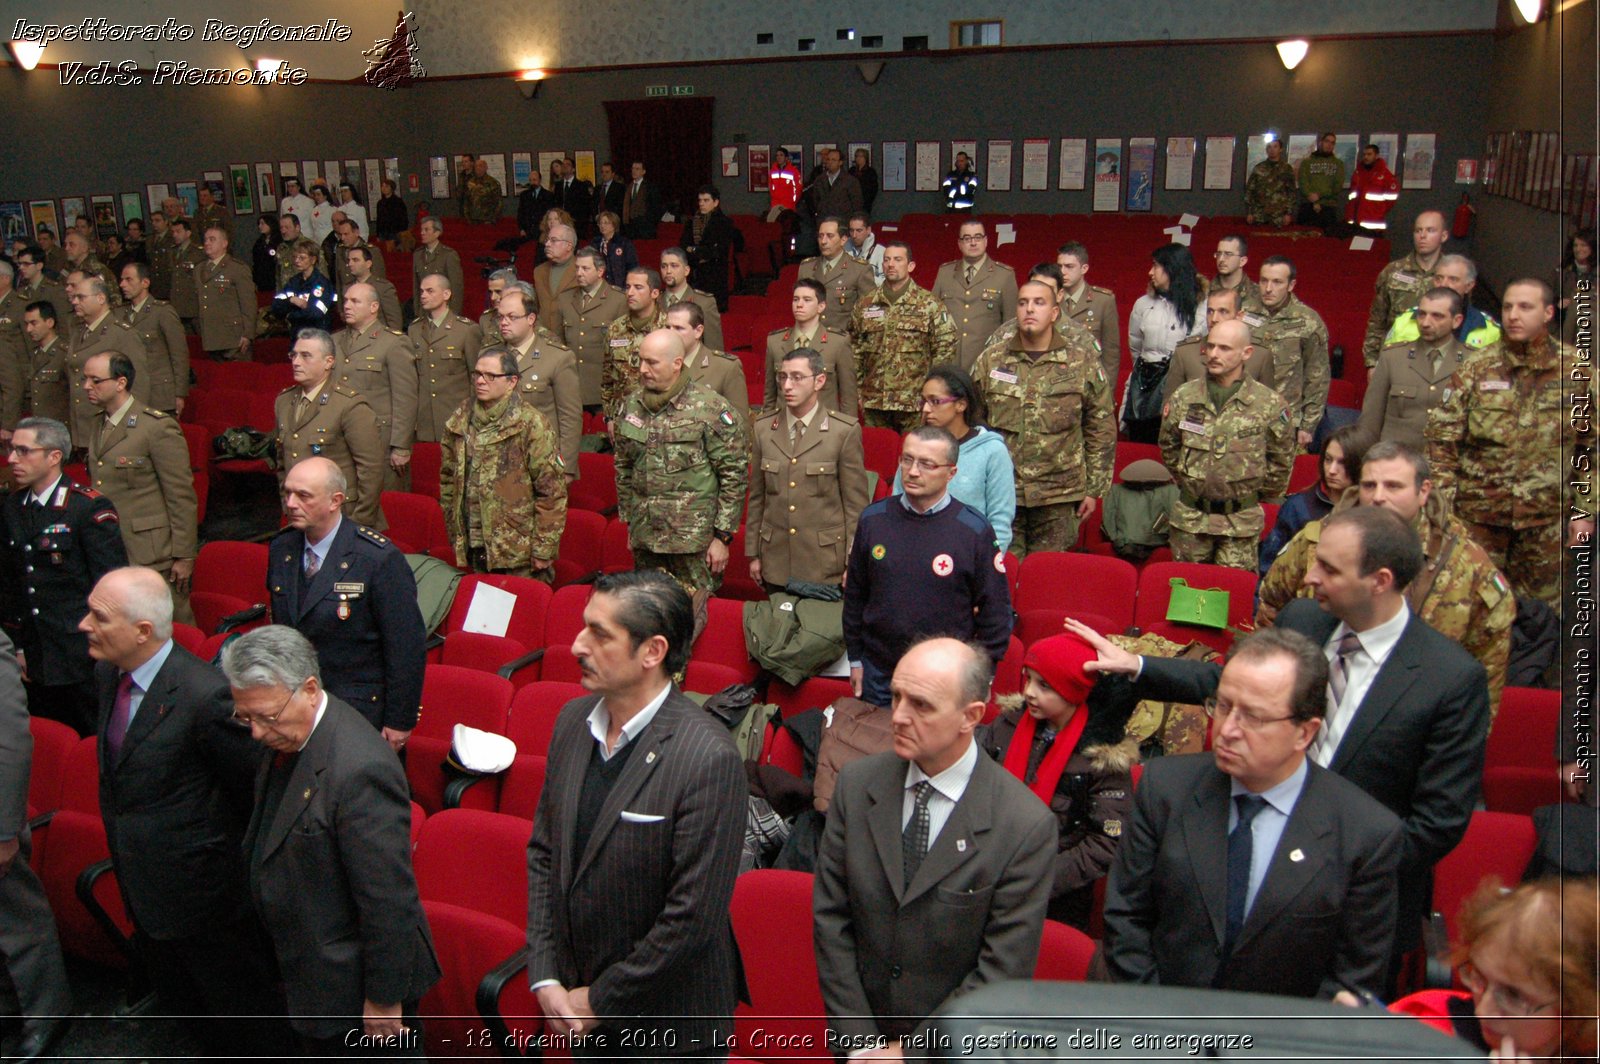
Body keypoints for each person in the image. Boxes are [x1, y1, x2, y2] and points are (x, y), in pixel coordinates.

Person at [1075, 505, 1489, 990]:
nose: (1310, 577)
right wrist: (1140, 666)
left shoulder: (1451, 678)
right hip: (1217, 884)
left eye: (1329, 569)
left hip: (1336, 908)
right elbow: (1241, 687)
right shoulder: (1304, 619)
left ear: (1378, 580)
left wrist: (1342, 866)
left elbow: (1437, 821)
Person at [1097, 627, 1404, 998]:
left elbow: (1352, 980)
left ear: (1304, 733)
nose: (1227, 730)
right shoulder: (1165, 788)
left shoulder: (1365, 834)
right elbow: (1126, 919)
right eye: (1223, 706)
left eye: (1254, 718)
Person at [526, 570, 747, 1056]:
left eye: (600, 634)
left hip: (668, 1026)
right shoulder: (570, 722)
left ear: (653, 652)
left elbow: (692, 920)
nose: (577, 645)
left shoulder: (707, 758)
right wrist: (544, 973)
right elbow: (545, 853)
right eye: (584, 627)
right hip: (577, 1008)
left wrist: (598, 1001)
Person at [813, 637, 1055, 1058]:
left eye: (921, 705)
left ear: (971, 716)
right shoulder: (856, 785)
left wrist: (909, 1055)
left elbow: (1000, 972)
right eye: (896, 697)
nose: (899, 717)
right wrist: (862, 1047)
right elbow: (832, 920)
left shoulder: (1023, 826)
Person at [80, 567, 285, 1056]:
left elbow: (252, 795)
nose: (84, 624)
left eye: (98, 616)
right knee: (188, 1014)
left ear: (142, 632)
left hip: (206, 901)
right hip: (144, 889)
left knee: (240, 1023)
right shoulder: (109, 672)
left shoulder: (204, 696)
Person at [228, 626, 439, 1053]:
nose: (255, 732)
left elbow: (387, 899)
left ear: (309, 689)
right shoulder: (290, 732)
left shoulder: (360, 770)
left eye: (265, 717)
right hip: (307, 965)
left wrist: (383, 998)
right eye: (244, 718)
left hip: (352, 990)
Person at [1258, 441, 1516, 718]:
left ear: (1423, 491)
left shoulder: (1469, 568)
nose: (1378, 497)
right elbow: (1271, 605)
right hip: (1309, 706)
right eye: (1369, 486)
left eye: (1394, 486)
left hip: (1407, 721)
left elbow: (1483, 680)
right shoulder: (1319, 540)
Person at [1427, 278, 1595, 611]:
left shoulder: (1578, 372)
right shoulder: (1475, 368)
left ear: (1548, 312)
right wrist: (1444, 515)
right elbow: (1441, 446)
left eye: (1525, 307)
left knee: (1539, 618)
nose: (1513, 315)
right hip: (1478, 520)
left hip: (1544, 522)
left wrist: (1584, 511)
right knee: (1472, 610)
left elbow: (1589, 448)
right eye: (1507, 307)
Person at [977, 633, 1137, 930]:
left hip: (1055, 900)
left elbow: (1105, 842)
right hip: (986, 876)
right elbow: (973, 789)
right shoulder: (1007, 725)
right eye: (1028, 679)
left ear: (1073, 691)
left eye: (1044, 685)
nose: (1029, 693)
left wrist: (1036, 878)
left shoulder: (1103, 758)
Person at [843, 426, 1012, 707]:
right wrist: (856, 658)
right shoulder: (874, 520)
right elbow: (855, 596)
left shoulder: (973, 530)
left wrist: (983, 675)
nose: (912, 471)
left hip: (944, 679)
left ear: (951, 473)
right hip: (880, 673)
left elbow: (995, 611)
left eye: (927, 464)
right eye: (906, 459)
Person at [266, 457, 426, 748]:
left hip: (358, 708)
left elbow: (405, 647)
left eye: (303, 496)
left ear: (335, 501)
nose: (290, 503)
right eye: (287, 493)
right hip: (298, 701)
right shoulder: (282, 548)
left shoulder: (376, 558)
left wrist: (400, 720)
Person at [612, 330, 748, 625]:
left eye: (652, 363)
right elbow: (624, 465)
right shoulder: (631, 406)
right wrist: (630, 522)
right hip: (647, 537)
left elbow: (734, 475)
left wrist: (722, 536)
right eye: (640, 361)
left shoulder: (710, 408)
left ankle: (687, 672)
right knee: (650, 615)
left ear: (677, 363)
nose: (643, 370)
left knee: (693, 618)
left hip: (693, 543)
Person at [1, 416, 128, 733]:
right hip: (33, 653)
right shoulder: (12, 506)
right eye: (10, 449)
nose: (11, 459)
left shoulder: (87, 507)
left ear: (54, 456)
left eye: (23, 450)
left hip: (81, 653)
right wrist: (17, 646)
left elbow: (111, 585)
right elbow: (10, 584)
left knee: (89, 740)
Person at [972, 280, 1112, 557]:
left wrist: (1093, 489)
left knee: (1047, 578)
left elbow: (1101, 425)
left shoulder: (1080, 361)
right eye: (1023, 303)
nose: (1029, 309)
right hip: (1003, 489)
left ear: (1055, 312)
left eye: (1039, 302)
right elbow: (975, 421)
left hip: (1059, 494)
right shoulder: (992, 359)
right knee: (1002, 573)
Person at [1390, 877, 1597, 1062]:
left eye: (1513, 995)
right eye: (1478, 978)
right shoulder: (1424, 1026)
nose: (1483, 1011)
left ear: (1576, 1009)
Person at [1160, 318, 1294, 570]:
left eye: (1224, 348)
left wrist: (1248, 493)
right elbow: (1169, 446)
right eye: (1210, 346)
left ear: (1247, 353)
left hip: (1239, 523)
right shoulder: (1185, 397)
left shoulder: (1270, 405)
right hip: (1191, 521)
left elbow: (1280, 461)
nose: (1213, 354)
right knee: (1188, 600)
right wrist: (1194, 481)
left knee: (1232, 599)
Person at [82, 352, 198, 622]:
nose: (86, 386)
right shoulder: (98, 424)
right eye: (85, 379)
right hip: (111, 544)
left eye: (95, 380)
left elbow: (180, 495)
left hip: (152, 552)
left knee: (168, 625)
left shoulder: (155, 427)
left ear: (120, 383)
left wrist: (184, 555)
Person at [747, 347, 868, 590]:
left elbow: (856, 506)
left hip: (823, 563)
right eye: (783, 377)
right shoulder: (763, 428)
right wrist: (753, 553)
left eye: (797, 377)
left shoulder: (842, 431)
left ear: (819, 381)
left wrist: (852, 561)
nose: (787, 386)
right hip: (776, 560)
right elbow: (758, 498)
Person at [440, 350, 567, 580]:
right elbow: (449, 478)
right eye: (477, 374)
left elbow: (551, 493)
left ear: (511, 382)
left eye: (490, 376)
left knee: (521, 613)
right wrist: (454, 531)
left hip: (517, 549)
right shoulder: (462, 416)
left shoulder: (531, 423)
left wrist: (543, 548)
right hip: (475, 542)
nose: (480, 380)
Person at [892, 366, 1015, 554]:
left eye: (935, 401)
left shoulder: (992, 451)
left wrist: (983, 566)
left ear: (961, 405)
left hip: (967, 560)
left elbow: (999, 523)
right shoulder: (917, 443)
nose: (926, 409)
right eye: (923, 401)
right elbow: (897, 505)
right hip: (912, 553)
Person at [273, 329, 386, 529]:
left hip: (342, 518)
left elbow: (371, 470)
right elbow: (283, 462)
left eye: (306, 356)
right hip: (300, 517)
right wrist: (289, 505)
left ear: (329, 362)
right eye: (294, 355)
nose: (296, 362)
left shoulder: (348, 405)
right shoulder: (284, 402)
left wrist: (359, 525)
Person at [851, 242, 959, 432]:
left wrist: (932, 392)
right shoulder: (866, 304)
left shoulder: (929, 304)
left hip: (914, 403)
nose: (891, 264)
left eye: (898, 259)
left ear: (911, 266)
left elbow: (946, 348)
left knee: (916, 457)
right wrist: (859, 390)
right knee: (877, 457)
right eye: (887, 260)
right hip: (875, 402)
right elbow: (855, 349)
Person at [1360, 287, 1471, 450]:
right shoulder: (1393, 357)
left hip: (1448, 466)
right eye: (1422, 314)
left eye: (1437, 316)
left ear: (1456, 321)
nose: (1425, 323)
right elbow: (1370, 421)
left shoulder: (1473, 361)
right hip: (1396, 462)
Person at [334, 283, 418, 493]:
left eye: (355, 301)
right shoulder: (333, 341)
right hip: (339, 437)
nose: (347, 306)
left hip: (379, 440)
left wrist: (401, 446)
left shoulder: (393, 343)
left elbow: (405, 399)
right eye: (345, 301)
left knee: (384, 505)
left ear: (373, 307)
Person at [494, 281, 582, 479]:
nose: (504, 322)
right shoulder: (490, 356)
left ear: (531, 318)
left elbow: (570, 417)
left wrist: (565, 467)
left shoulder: (557, 357)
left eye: (512, 317)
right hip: (498, 462)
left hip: (542, 462)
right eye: (500, 317)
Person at [1259, 424, 1368, 580]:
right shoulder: (1298, 507)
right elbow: (1267, 570)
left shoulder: (1371, 511)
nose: (1331, 470)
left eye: (1342, 463)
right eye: (1328, 460)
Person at [1123, 243, 1202, 443]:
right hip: (1145, 382)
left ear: (1173, 269)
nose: (1150, 272)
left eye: (1156, 266)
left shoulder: (1201, 307)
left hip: (1181, 386)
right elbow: (1135, 345)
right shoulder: (1143, 304)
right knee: (1140, 440)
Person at [1252, 255, 1331, 450]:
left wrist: (1308, 425)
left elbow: (1317, 376)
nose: (1268, 288)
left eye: (1277, 282)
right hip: (1245, 415)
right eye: (1264, 281)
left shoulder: (1308, 321)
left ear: (1291, 285)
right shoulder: (1244, 312)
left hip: (1286, 420)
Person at [67, 275, 150, 446]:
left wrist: (132, 429)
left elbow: (139, 385)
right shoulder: (78, 332)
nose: (74, 302)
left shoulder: (122, 334)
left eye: (81, 297)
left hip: (110, 426)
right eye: (74, 297)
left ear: (101, 298)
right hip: (80, 423)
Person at [1363, 210, 1449, 366]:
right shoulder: (1393, 271)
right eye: (1418, 230)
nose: (1422, 236)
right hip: (1396, 356)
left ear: (1443, 236)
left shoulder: (1452, 274)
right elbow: (1377, 320)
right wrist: (1372, 362)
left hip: (1438, 360)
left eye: (1430, 230)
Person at [932, 221, 1020, 372]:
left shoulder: (1004, 275)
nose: (973, 242)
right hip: (949, 361)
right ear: (959, 243)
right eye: (967, 238)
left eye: (977, 237)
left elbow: (1011, 325)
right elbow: (932, 316)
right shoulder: (945, 273)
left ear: (986, 241)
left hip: (985, 362)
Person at [763, 279, 858, 414]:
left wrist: (847, 431)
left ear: (821, 306)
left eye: (807, 300)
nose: (799, 305)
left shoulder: (837, 342)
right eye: (796, 299)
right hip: (784, 424)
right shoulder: (775, 341)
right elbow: (770, 395)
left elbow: (848, 396)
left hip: (824, 427)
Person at [408, 271, 482, 444]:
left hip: (456, 416)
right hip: (424, 420)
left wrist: (473, 416)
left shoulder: (466, 330)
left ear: (446, 294)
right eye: (422, 291)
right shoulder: (415, 329)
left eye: (430, 291)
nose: (423, 295)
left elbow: (476, 377)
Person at [1163, 286, 1270, 402]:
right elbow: (1169, 406)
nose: (1214, 318)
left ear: (1239, 316)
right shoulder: (1185, 353)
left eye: (1223, 311)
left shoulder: (1260, 356)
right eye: (1210, 311)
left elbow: (1268, 405)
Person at [1382, 254, 1501, 351]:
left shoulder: (1488, 330)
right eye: (1439, 278)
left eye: (1453, 279)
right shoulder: (1405, 321)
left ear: (1469, 286)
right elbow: (1387, 367)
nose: (1444, 284)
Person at [556, 248, 627, 410]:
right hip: (571, 386)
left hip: (602, 387)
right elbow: (558, 341)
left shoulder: (618, 300)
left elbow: (623, 348)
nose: (579, 273)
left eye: (585, 268)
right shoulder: (565, 299)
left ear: (600, 271)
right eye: (577, 268)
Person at [116, 261, 189, 415]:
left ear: (145, 283)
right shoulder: (120, 314)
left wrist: (179, 393)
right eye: (121, 280)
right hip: (131, 393)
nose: (122, 284)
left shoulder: (162, 312)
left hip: (160, 394)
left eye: (128, 280)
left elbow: (179, 355)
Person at [664, 301, 748, 423]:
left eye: (678, 328)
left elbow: (739, 424)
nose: (670, 333)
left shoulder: (725, 367)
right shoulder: (658, 364)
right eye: (668, 327)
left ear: (698, 331)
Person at [601, 267, 668, 415]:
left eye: (638, 287)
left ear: (655, 293)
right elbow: (607, 379)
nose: (630, 293)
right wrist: (609, 417)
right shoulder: (615, 328)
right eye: (627, 287)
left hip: (660, 417)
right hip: (623, 417)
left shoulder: (669, 328)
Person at [797, 217, 876, 336]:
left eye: (830, 236)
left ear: (843, 239)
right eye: (820, 236)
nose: (823, 241)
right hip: (810, 340)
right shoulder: (806, 267)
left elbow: (869, 313)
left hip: (842, 342)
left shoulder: (859, 269)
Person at [1056, 241, 1121, 383]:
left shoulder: (1103, 301)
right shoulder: (1051, 299)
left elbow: (1111, 354)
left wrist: (1107, 392)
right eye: (1059, 266)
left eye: (1069, 267)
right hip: (1055, 381)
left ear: (1084, 268)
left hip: (1088, 381)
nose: (1062, 272)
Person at [195, 222, 257, 361]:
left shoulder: (236, 268)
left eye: (212, 239)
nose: (207, 243)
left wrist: (248, 334)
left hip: (234, 337)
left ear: (224, 243)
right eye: (205, 239)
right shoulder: (199, 269)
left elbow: (248, 304)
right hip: (211, 336)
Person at [680, 185, 737, 310]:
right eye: (700, 200)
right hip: (694, 272)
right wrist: (699, 251)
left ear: (715, 202)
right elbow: (683, 246)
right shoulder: (691, 222)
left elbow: (718, 251)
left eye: (706, 200)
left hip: (715, 274)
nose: (701, 204)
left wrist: (694, 249)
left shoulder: (724, 223)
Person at [659, 247, 724, 350]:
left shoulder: (704, 303)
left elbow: (713, 346)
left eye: (674, 266)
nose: (668, 271)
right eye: (664, 266)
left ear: (686, 270)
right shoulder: (654, 300)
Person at [271, 238, 338, 334]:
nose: (297, 261)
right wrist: (292, 300)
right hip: (296, 334)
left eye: (302, 258)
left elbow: (316, 313)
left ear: (313, 259)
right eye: (295, 257)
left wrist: (290, 315)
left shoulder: (322, 283)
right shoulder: (293, 282)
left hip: (317, 334)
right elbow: (276, 306)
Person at [21, 301, 69, 426]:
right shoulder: (36, 354)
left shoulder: (65, 353)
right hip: (40, 427)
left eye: (34, 323)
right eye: (26, 324)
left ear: (50, 322)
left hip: (60, 428)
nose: (28, 329)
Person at [533, 222, 582, 335]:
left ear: (569, 246)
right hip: (543, 339)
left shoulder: (582, 270)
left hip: (572, 338)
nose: (547, 244)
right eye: (547, 240)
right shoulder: (539, 271)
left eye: (554, 240)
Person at [413, 217, 466, 316]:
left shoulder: (449, 255)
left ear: (437, 233)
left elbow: (456, 288)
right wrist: (417, 312)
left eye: (426, 230)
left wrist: (453, 314)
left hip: (442, 311)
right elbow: (416, 286)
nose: (422, 233)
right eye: (421, 230)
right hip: (424, 312)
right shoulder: (418, 254)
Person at [343, 244, 403, 330]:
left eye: (355, 260)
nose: (350, 264)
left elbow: (394, 321)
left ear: (368, 264)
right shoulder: (347, 288)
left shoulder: (383, 287)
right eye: (349, 260)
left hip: (378, 339)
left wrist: (391, 342)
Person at [1346, 143, 1401, 235]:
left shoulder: (1385, 175)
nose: (1366, 157)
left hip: (1374, 225)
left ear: (1377, 156)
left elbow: (1391, 199)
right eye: (1364, 154)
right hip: (1355, 223)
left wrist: (1378, 211)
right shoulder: (1357, 174)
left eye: (1369, 154)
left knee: (1373, 249)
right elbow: (1352, 197)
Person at [1298, 133, 1347, 234]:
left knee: (1327, 242)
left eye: (1332, 143)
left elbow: (1337, 187)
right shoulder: (1306, 162)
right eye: (1327, 141)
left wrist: (1319, 196)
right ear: (1321, 142)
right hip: (1308, 206)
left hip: (1328, 208)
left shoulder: (1338, 164)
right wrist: (1310, 195)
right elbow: (1303, 182)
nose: (1329, 145)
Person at [1556, 227, 1595, 346]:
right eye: (1575, 245)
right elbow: (1546, 295)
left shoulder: (1596, 274)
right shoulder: (1562, 271)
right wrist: (1557, 303)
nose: (1578, 249)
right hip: (1561, 328)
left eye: (1583, 245)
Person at [1244, 138, 1298, 227]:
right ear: (1266, 150)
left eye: (1275, 147)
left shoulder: (1286, 169)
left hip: (1279, 215)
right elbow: (1250, 190)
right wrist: (1249, 212)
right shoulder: (1259, 168)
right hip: (1260, 214)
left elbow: (1291, 192)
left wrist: (1288, 213)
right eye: (1269, 147)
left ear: (1280, 149)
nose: (1272, 150)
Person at [1209, 233, 1262, 309]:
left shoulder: (1258, 294)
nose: (1221, 259)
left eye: (1228, 254)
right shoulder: (1204, 292)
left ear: (1242, 261)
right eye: (1218, 254)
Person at [811, 149, 865, 222]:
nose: (830, 162)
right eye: (828, 159)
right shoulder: (819, 180)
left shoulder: (850, 181)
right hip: (824, 221)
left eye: (833, 160)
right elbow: (815, 200)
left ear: (840, 162)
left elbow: (857, 204)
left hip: (843, 222)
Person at [591, 210, 637, 289]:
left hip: (619, 285)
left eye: (606, 223)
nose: (602, 226)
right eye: (600, 223)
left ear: (614, 225)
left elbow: (632, 265)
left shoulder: (623, 243)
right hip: (599, 284)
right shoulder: (595, 243)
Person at [621, 160, 662, 239]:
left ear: (643, 171)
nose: (634, 171)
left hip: (645, 228)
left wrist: (650, 223)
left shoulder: (650, 187)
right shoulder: (628, 187)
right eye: (633, 169)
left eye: (637, 169)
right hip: (630, 228)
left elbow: (656, 207)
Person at [847, 212, 885, 284]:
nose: (854, 235)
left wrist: (865, 277)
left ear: (868, 230)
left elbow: (887, 283)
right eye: (851, 230)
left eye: (859, 230)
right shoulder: (842, 249)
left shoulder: (881, 252)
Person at [462, 158, 503, 224]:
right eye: (476, 166)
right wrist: (467, 217)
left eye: (480, 166)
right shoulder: (470, 182)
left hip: (487, 220)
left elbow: (499, 203)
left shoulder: (493, 183)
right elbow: (466, 201)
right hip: (473, 220)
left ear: (486, 167)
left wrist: (493, 219)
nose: (478, 168)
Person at [767, 147, 802, 221]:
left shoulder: (793, 171)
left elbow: (798, 188)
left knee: (787, 226)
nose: (778, 157)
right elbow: (770, 186)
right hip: (775, 204)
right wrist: (774, 197)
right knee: (771, 223)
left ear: (786, 158)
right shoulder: (773, 170)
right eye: (777, 155)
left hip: (788, 204)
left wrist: (792, 201)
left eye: (781, 155)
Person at [251, 213, 281, 292]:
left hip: (275, 276)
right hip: (262, 278)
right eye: (259, 224)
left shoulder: (279, 240)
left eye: (263, 224)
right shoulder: (259, 242)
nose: (260, 226)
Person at [373, 178, 408, 244]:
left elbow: (403, 218)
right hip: (383, 233)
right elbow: (379, 219)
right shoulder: (380, 203)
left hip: (395, 232)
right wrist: (378, 234)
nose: (384, 188)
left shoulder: (398, 202)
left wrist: (401, 232)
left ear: (391, 188)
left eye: (386, 186)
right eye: (382, 186)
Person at [850, 147, 880, 214]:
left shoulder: (870, 172)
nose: (858, 158)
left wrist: (868, 201)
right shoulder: (851, 171)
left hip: (865, 202)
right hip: (852, 202)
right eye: (857, 156)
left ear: (865, 158)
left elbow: (873, 189)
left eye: (861, 156)